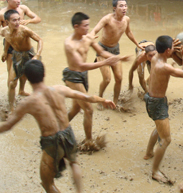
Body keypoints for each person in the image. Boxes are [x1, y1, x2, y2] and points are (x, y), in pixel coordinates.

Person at [0, 60, 116, 193]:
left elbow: (8, 125)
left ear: (26, 77)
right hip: (68, 133)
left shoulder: (29, 102)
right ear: (44, 74)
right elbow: (86, 97)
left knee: (47, 183)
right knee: (74, 163)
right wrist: (104, 100)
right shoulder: (59, 89)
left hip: (52, 141)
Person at [64, 12, 129, 146]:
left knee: (76, 109)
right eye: (85, 26)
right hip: (73, 77)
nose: (88, 29)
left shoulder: (88, 38)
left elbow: (101, 52)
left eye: (88, 25)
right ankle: (89, 141)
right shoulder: (70, 44)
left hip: (83, 76)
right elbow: (81, 65)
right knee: (88, 109)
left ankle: (58, 128)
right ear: (76, 26)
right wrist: (104, 63)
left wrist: (118, 58)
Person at [143, 36, 183, 183]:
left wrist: (172, 44)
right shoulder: (164, 66)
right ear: (168, 50)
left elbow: (164, 45)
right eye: (172, 47)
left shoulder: (155, 57)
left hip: (153, 100)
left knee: (159, 127)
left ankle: (149, 153)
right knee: (166, 139)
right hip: (157, 103)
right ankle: (155, 171)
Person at [91, 0, 141, 105]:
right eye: (121, 6)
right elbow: (95, 29)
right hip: (102, 50)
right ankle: (100, 99)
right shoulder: (107, 19)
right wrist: (90, 37)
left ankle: (115, 101)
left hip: (115, 50)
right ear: (114, 8)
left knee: (119, 78)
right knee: (107, 79)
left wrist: (138, 45)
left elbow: (129, 32)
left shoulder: (126, 19)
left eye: (125, 6)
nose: (124, 8)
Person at [0, 0, 41, 97]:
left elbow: (38, 18)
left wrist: (29, 21)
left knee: (24, 71)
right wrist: (4, 51)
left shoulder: (23, 9)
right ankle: (11, 94)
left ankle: (21, 90)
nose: (19, 1)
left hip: (23, 41)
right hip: (10, 43)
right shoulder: (2, 13)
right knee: (12, 73)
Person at [1, 10, 43, 112]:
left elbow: (40, 40)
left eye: (18, 19)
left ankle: (40, 103)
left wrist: (37, 55)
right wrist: (5, 51)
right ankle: (11, 108)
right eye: (14, 20)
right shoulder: (4, 31)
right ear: (7, 22)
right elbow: (7, 38)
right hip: (17, 55)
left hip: (29, 55)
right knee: (12, 83)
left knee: (36, 81)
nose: (17, 22)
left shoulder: (24, 30)